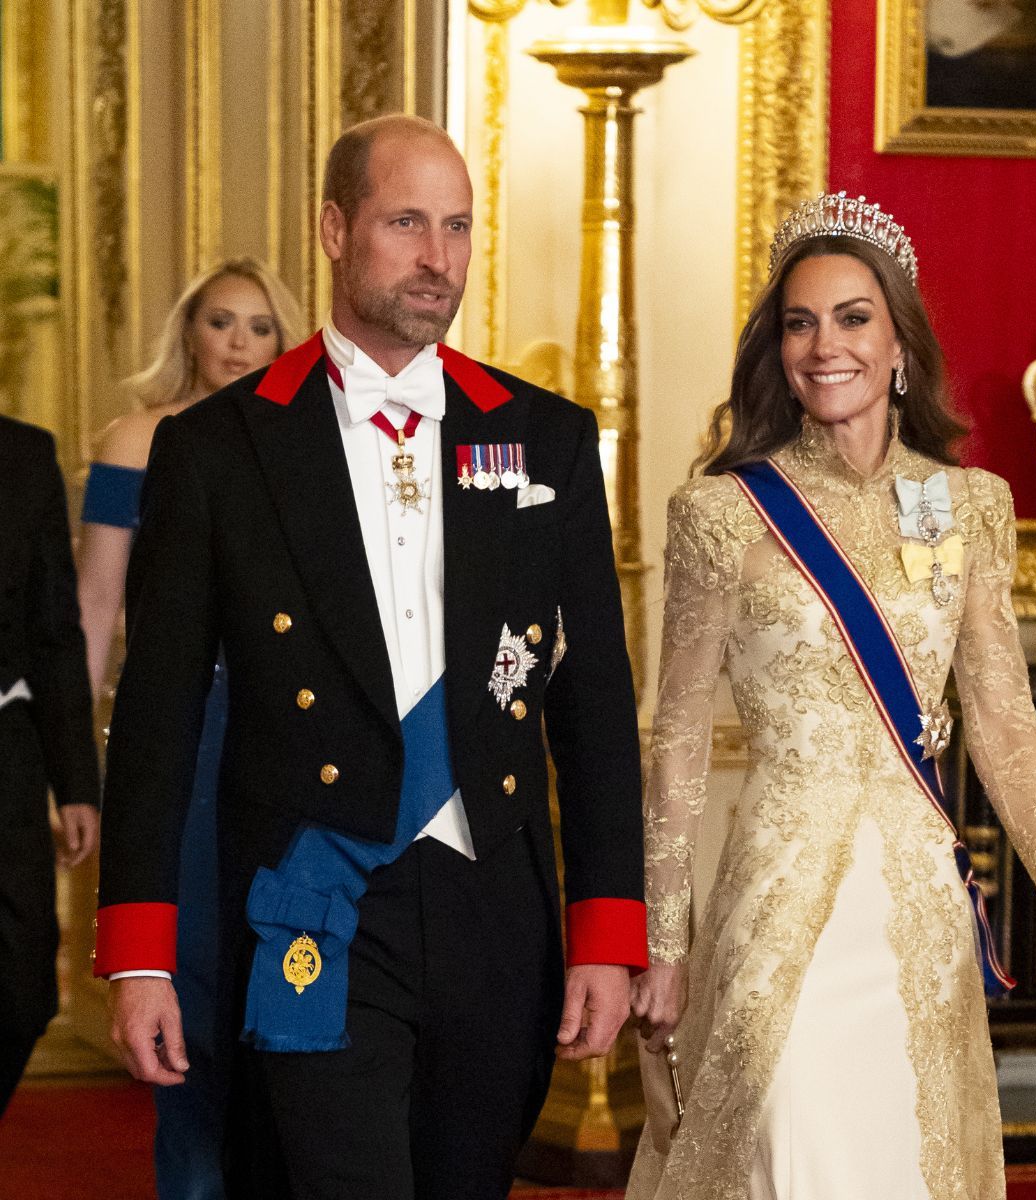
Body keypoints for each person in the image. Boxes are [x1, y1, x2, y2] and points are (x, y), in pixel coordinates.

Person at [95, 113, 646, 1200]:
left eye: (456, 226)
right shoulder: (220, 447)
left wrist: (606, 930)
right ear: (336, 230)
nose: (437, 256)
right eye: (405, 222)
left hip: (494, 902)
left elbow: (592, 705)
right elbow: (156, 716)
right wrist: (140, 954)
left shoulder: (543, 437)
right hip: (314, 896)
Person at [627, 193, 1036, 1199]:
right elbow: (671, 743)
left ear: (899, 344)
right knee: (788, 1137)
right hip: (777, 896)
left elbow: (1004, 722)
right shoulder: (721, 513)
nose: (823, 344)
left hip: (916, 911)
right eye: (800, 322)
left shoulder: (970, 506)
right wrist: (661, 943)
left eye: (852, 317)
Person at [76, 258, 301, 1197]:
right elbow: (93, 607)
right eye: (221, 322)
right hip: (185, 732)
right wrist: (72, 770)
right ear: (190, 332)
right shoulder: (137, 440)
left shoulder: (306, 445)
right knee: (194, 979)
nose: (239, 343)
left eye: (259, 327)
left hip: (292, 736)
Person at [0, 415, 100, 1116]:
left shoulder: (25, 454)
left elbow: (55, 631)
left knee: (24, 981)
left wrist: (76, 783)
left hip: (6, 746)